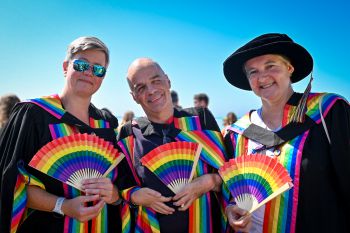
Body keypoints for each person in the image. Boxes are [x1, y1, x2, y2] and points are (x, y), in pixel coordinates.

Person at [222, 33, 350, 233]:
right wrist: (231, 209)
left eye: (271, 66)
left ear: (289, 68)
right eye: (253, 72)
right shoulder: (239, 132)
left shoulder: (328, 112)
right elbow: (233, 189)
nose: (262, 77)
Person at [0, 36, 129, 233]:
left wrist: (114, 194)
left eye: (98, 69)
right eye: (81, 64)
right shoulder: (33, 114)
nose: (89, 73)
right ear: (65, 67)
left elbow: (122, 184)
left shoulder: (107, 123)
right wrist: (62, 205)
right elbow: (9, 184)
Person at [117, 58, 229, 233]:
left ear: (168, 81)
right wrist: (135, 195)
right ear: (134, 97)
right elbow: (120, 185)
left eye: (156, 81)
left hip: (206, 225)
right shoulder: (129, 133)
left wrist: (210, 181)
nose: (151, 90)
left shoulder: (201, 119)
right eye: (141, 87)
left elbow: (232, 172)